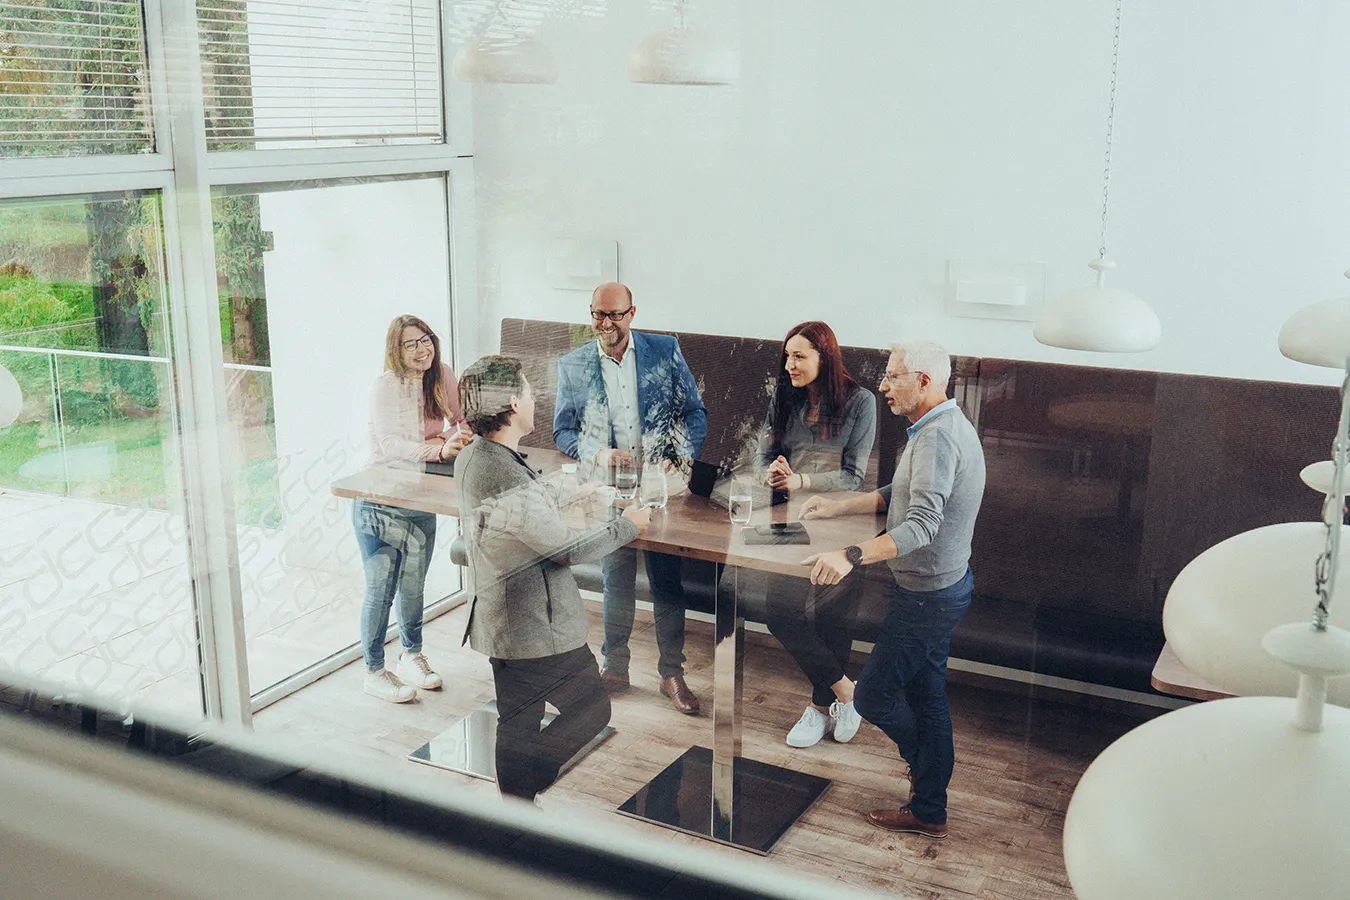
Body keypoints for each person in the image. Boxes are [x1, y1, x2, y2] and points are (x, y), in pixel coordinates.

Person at [799, 340, 985, 840]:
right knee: (928, 698)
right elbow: (899, 495)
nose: (882, 385)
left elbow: (921, 524)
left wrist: (850, 554)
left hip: (928, 597)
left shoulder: (937, 438)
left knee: (873, 696)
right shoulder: (938, 426)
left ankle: (925, 771)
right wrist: (838, 506)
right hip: (941, 588)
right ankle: (929, 807)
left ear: (923, 381)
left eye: (893, 376)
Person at [455, 355, 651, 802]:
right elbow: (567, 550)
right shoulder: (501, 470)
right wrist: (628, 525)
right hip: (533, 627)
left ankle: (517, 808)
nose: (534, 398)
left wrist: (571, 490)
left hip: (503, 620)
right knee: (592, 711)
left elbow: (519, 504)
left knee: (518, 720)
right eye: (527, 390)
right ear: (511, 403)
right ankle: (522, 793)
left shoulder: (476, 455)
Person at [552, 282, 708, 715]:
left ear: (632, 313)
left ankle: (671, 673)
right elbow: (562, 430)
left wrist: (681, 453)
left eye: (615, 315)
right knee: (615, 577)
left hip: (660, 486)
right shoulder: (573, 364)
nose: (606, 324)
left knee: (666, 581)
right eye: (598, 315)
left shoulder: (664, 350)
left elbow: (694, 412)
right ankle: (615, 667)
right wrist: (598, 453)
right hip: (610, 489)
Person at [755, 321, 877, 749]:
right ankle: (848, 693)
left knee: (833, 620)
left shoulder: (861, 402)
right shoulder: (784, 397)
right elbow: (762, 457)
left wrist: (802, 480)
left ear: (824, 358)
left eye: (799, 356)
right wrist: (771, 472)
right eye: (787, 356)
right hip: (790, 521)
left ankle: (820, 707)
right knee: (779, 611)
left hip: (842, 522)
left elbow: (853, 476)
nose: (790, 364)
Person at [354, 314, 471, 703]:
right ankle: (373, 671)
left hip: (421, 495)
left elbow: (462, 421)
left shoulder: (442, 374)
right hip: (380, 499)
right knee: (380, 590)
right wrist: (438, 448)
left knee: (413, 584)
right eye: (411, 343)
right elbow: (391, 445)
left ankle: (411, 656)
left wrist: (452, 438)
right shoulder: (384, 387)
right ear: (396, 349)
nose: (423, 349)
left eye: (426, 340)